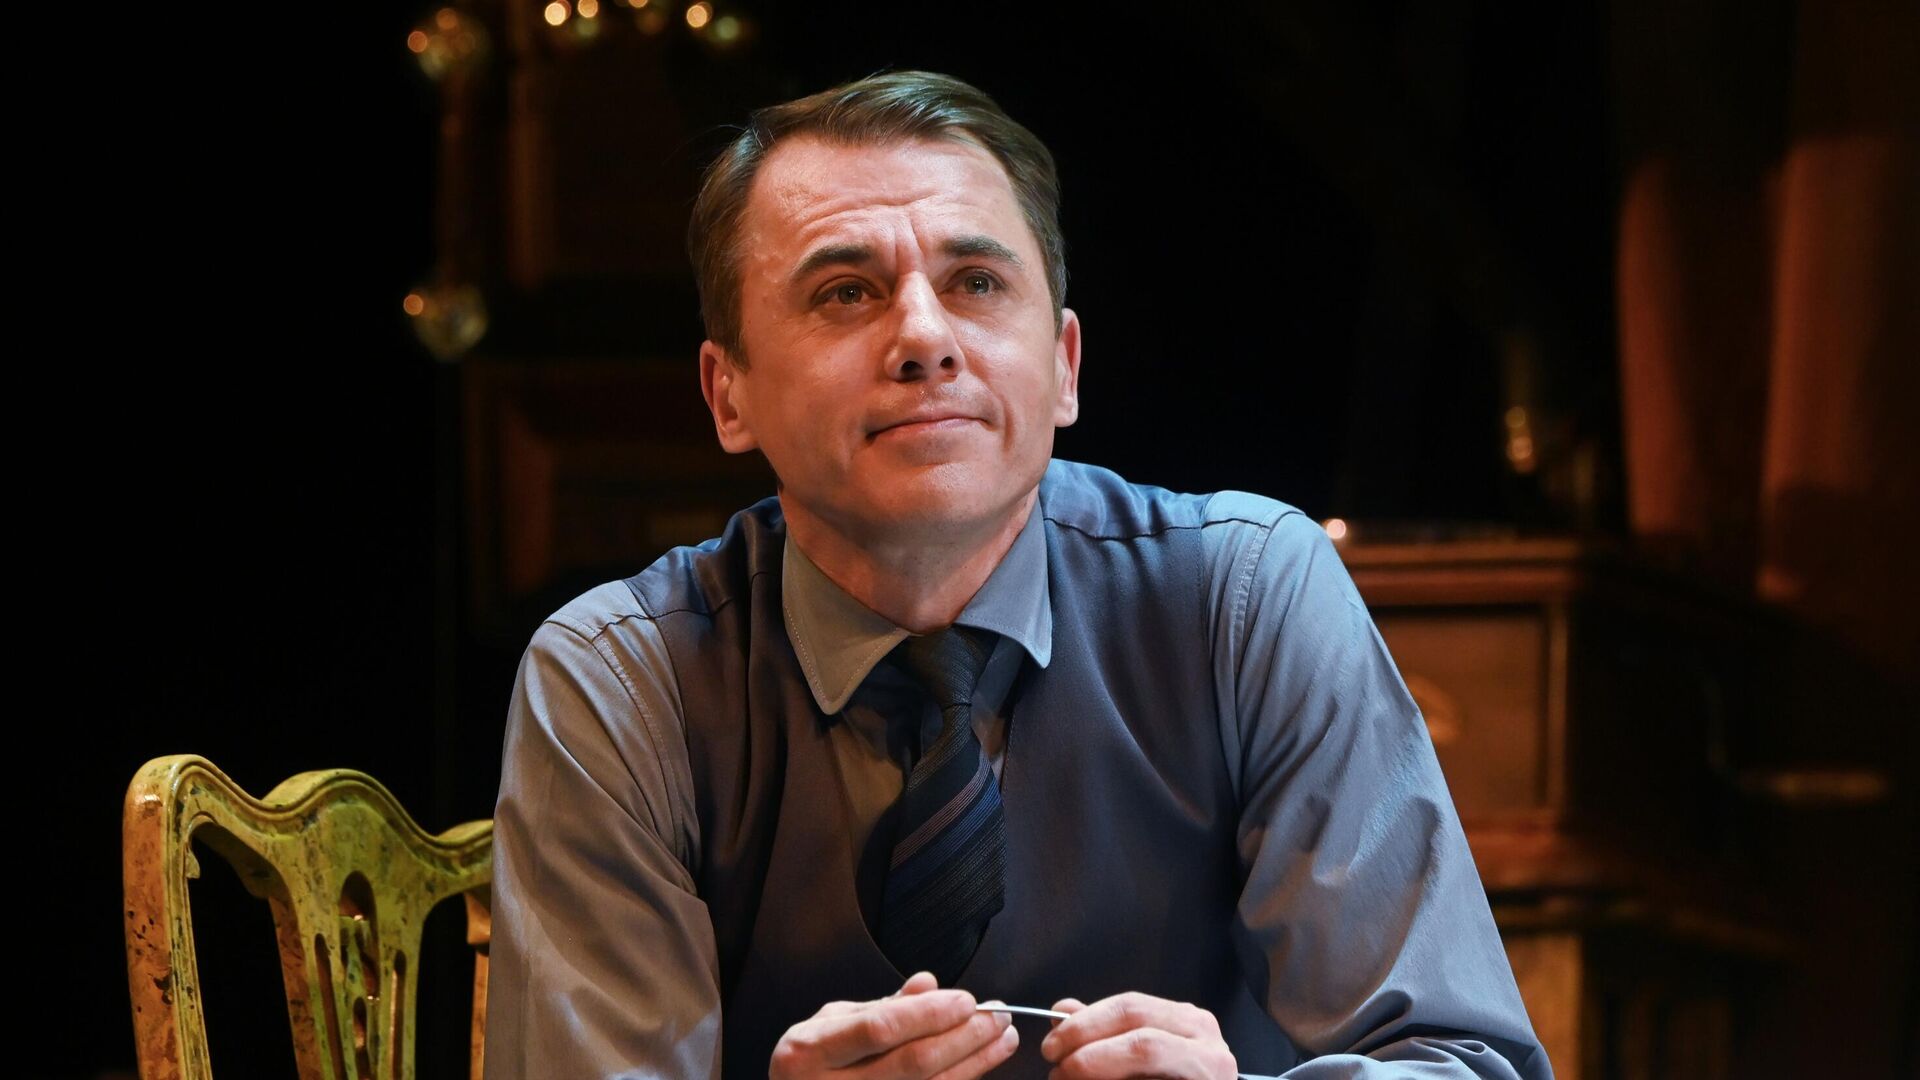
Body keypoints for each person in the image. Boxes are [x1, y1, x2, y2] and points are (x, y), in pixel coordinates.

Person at [486, 70, 1551, 1080]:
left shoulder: (1244, 601)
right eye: (846, 292)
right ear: (729, 395)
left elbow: (1463, 1061)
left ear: (1064, 366)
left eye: (978, 283)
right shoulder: (624, 682)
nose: (924, 338)